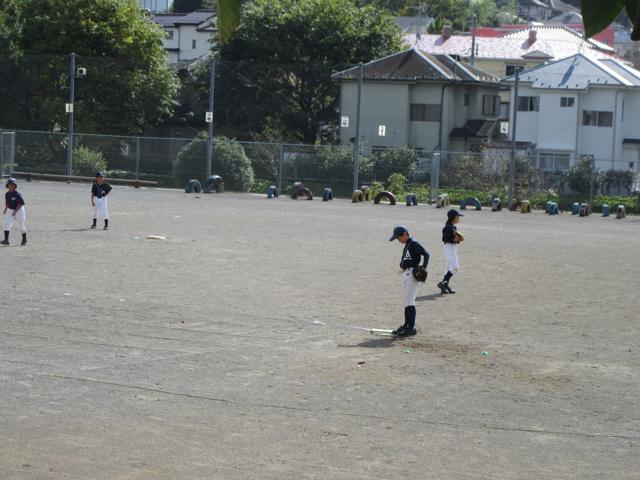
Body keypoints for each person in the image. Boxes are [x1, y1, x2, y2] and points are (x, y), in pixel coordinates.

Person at [388, 225, 429, 336]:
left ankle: (411, 327)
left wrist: (423, 268)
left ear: (405, 234)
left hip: (413, 274)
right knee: (407, 300)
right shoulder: (408, 244)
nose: (398, 240)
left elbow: (426, 254)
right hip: (407, 273)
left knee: (410, 300)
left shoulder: (413, 243)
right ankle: (407, 325)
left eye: (399, 238)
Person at [438, 209, 463, 294]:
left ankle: (445, 286)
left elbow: (454, 239)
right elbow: (444, 238)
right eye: (457, 217)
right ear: (453, 218)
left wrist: (458, 240)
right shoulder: (447, 227)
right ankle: (443, 282)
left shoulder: (453, 227)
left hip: (452, 248)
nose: (459, 218)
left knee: (448, 268)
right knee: (455, 267)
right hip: (448, 248)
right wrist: (454, 240)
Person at [1, 178, 27, 246]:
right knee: (7, 224)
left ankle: (24, 239)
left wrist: (15, 212)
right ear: (7, 186)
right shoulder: (7, 194)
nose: (11, 186)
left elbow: (20, 204)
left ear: (15, 186)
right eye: (9, 185)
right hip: (10, 209)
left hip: (19, 210)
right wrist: (5, 209)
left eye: (13, 185)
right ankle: (6, 240)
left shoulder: (17, 194)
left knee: (21, 225)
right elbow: (7, 203)